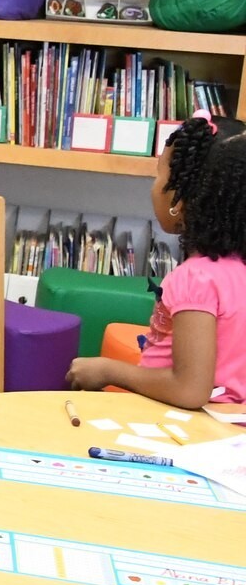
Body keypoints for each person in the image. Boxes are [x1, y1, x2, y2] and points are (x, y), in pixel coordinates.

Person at [68, 116, 246, 406]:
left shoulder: (196, 279)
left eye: (159, 176)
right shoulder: (237, 270)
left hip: (183, 430)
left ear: (179, 198)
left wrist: (108, 370)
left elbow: (189, 389)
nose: (154, 187)